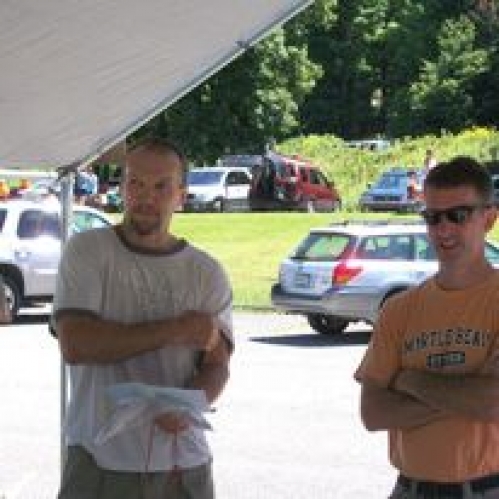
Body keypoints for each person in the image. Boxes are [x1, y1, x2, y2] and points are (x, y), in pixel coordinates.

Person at [53, 136, 233, 499]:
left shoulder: (206, 272)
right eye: (135, 183)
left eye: (161, 186)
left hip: (183, 466)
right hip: (98, 460)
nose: (146, 197)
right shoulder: (88, 251)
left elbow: (217, 364)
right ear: (122, 188)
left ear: (181, 196)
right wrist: (174, 330)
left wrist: (186, 403)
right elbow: (76, 343)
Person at [355, 156, 499, 499]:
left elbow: (492, 403)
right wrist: (465, 397)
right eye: (432, 217)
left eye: (458, 215)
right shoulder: (399, 309)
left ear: (489, 218)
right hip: (411, 489)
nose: (443, 229)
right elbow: (373, 413)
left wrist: (409, 381)